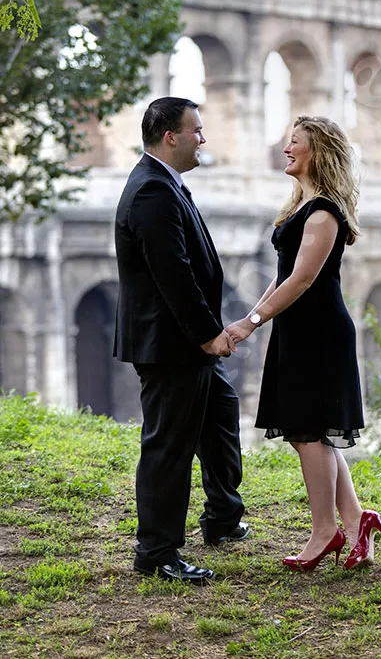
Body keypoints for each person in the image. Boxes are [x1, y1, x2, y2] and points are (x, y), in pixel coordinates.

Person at [227, 115, 381, 571]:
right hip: (301, 330)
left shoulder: (323, 212)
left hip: (318, 332)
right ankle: (357, 519)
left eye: (294, 143)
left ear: (316, 152)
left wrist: (252, 322)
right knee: (314, 431)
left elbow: (302, 280)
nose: (286, 149)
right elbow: (283, 278)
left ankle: (326, 530)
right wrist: (250, 321)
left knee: (307, 433)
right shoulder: (304, 206)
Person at [114, 97, 249, 586]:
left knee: (220, 418)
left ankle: (222, 518)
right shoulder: (152, 190)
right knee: (168, 445)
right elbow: (173, 274)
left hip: (183, 342)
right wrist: (209, 335)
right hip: (170, 344)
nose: (203, 138)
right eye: (197, 130)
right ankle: (156, 551)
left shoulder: (166, 183)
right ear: (171, 136)